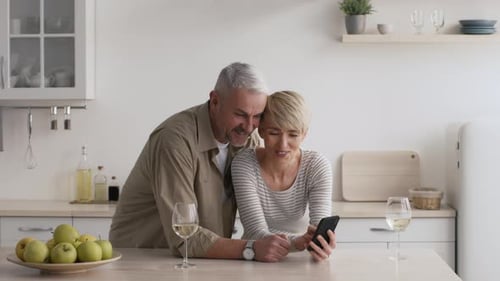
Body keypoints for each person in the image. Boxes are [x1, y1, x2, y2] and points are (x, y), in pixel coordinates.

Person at [109, 62, 291, 262]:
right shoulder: (175, 141)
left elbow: (264, 211)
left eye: (257, 116)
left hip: (198, 261)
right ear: (214, 101)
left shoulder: (248, 142)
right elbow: (183, 236)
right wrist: (252, 248)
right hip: (142, 260)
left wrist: (302, 240)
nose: (249, 127)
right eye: (240, 114)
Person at [231, 90, 335, 262]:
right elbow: (256, 232)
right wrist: (300, 241)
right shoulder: (244, 164)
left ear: (304, 134)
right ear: (261, 131)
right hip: (256, 257)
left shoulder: (316, 166)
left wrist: (323, 242)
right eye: (274, 133)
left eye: (293, 134)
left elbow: (319, 230)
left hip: (301, 260)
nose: (283, 144)